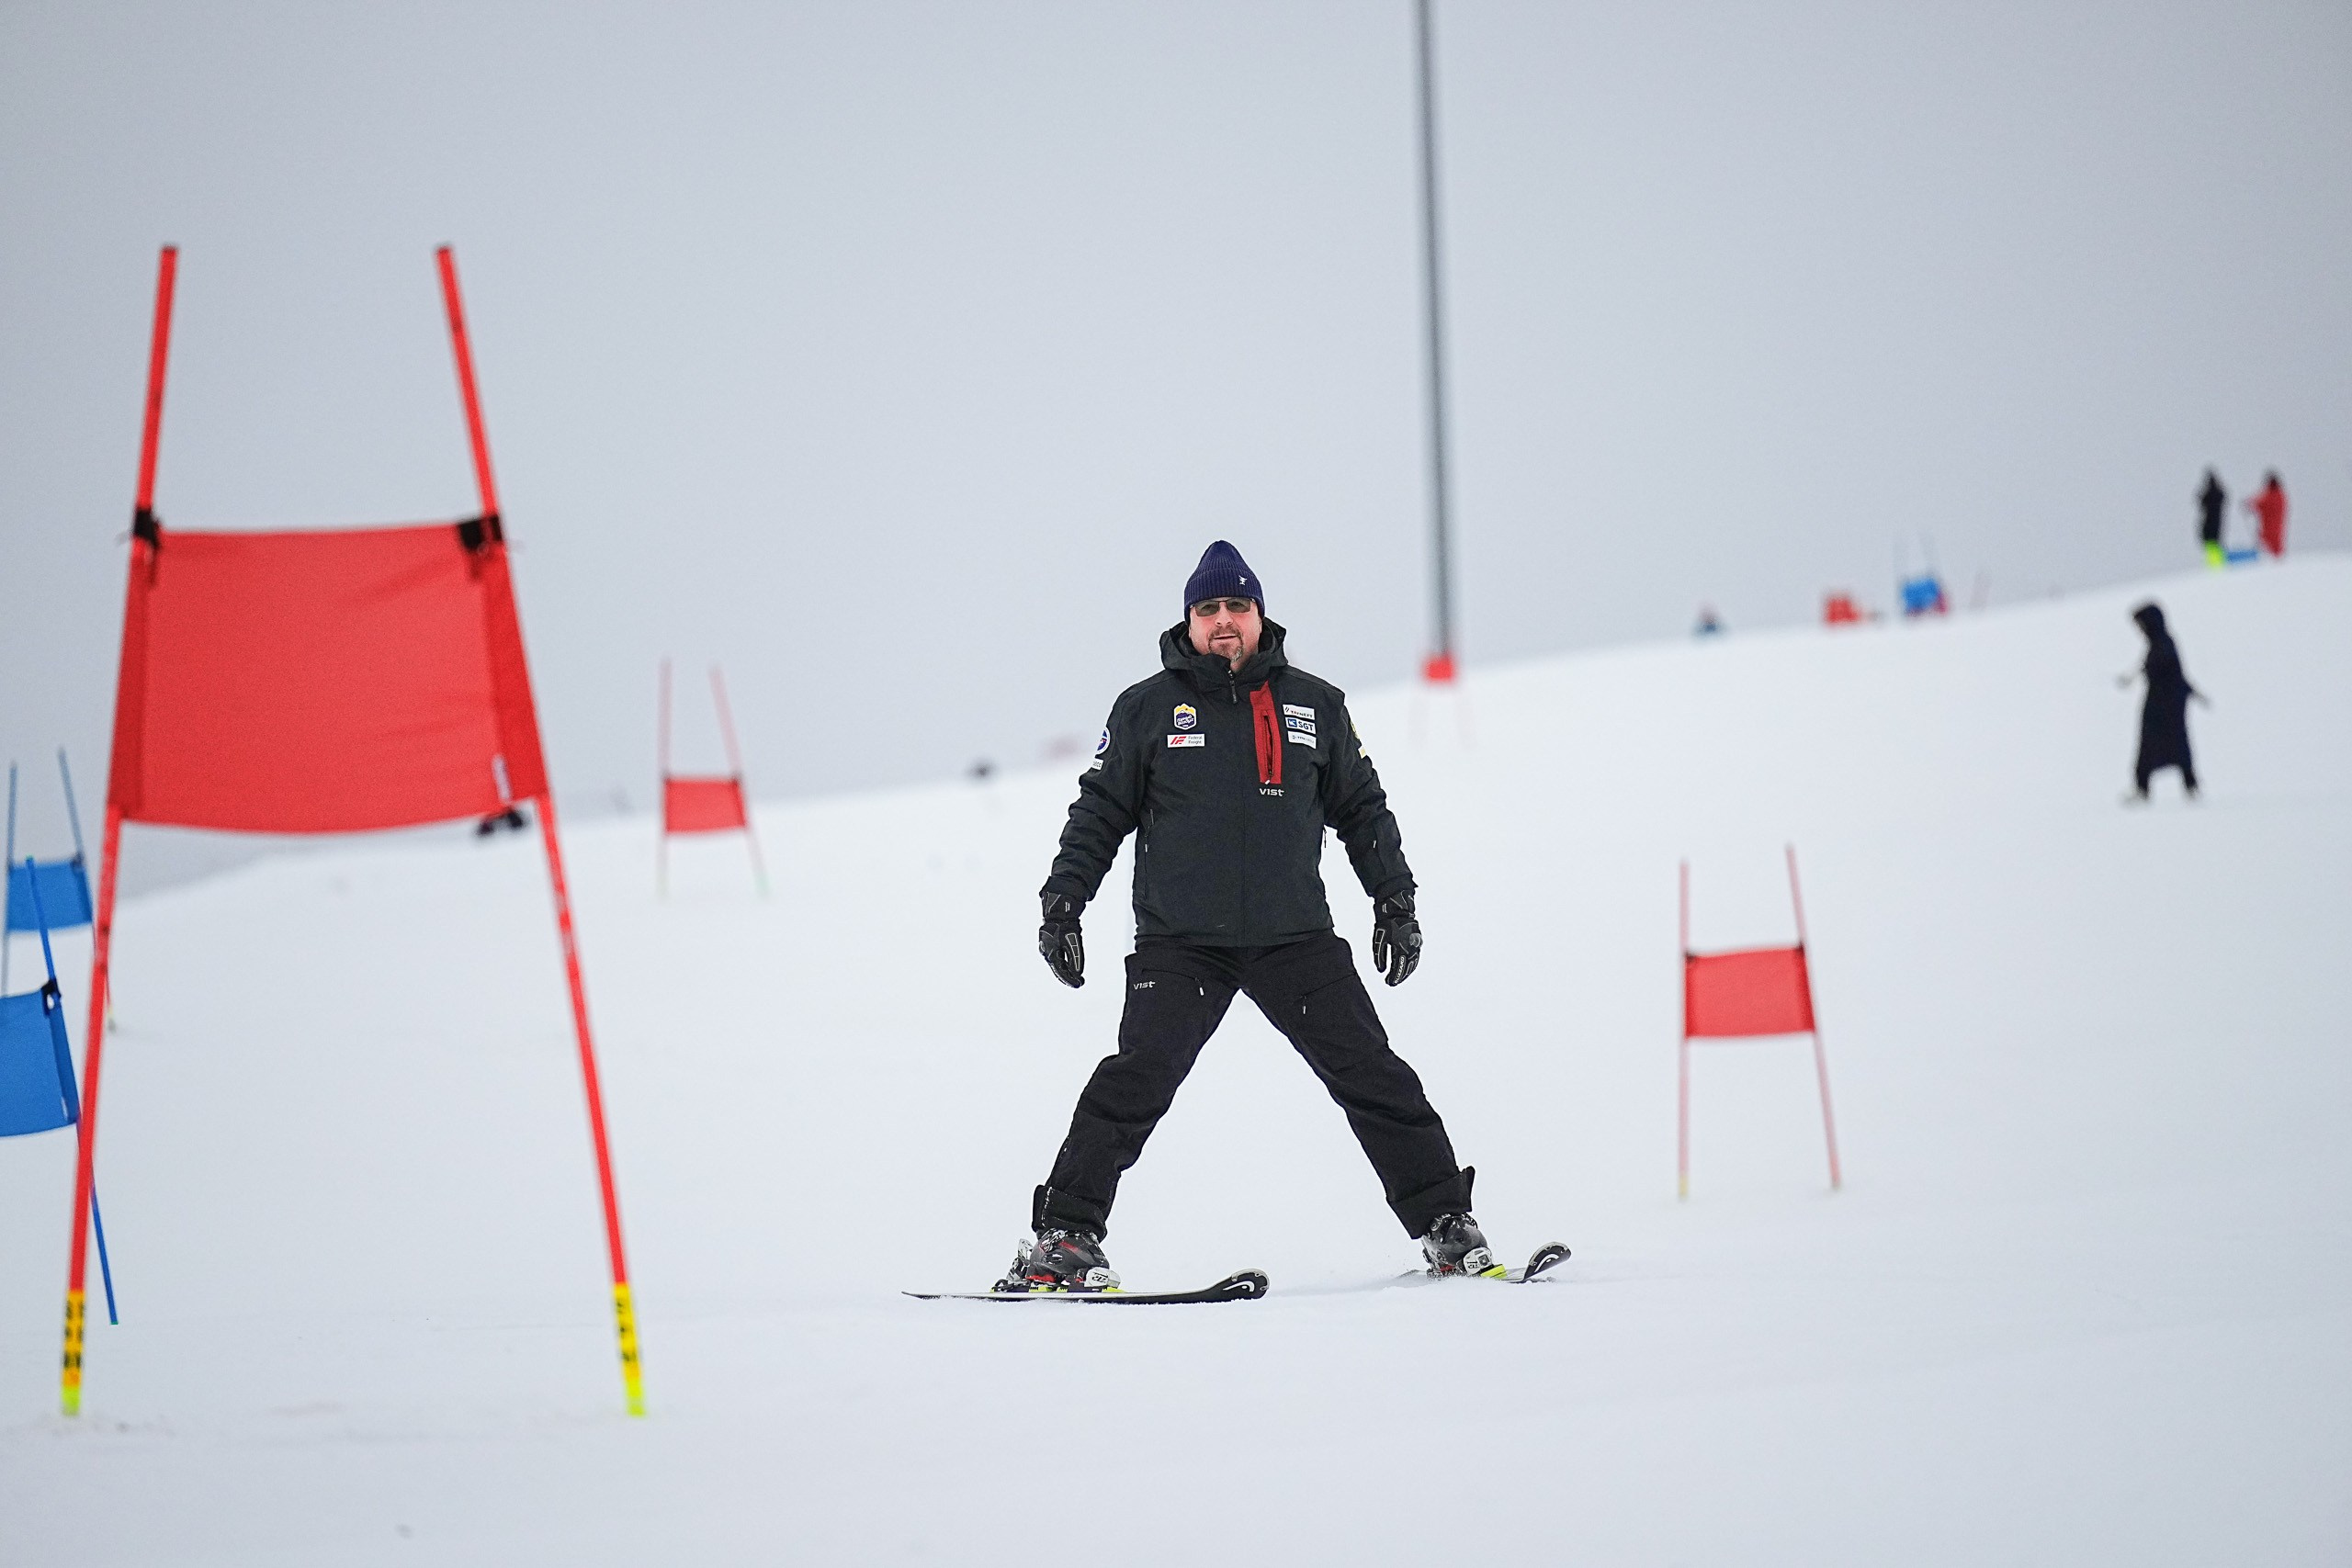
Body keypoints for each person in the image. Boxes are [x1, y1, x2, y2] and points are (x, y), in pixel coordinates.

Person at [1001, 541, 1496, 1292]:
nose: (1223, 622)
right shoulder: (1147, 708)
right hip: (1181, 941)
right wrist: (1063, 902)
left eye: (1236, 606)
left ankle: (1446, 1227)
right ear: (1189, 621)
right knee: (1135, 1081)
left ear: (1260, 615)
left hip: (1293, 936)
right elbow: (1100, 810)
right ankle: (1063, 1237)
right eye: (1208, 610)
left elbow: (1361, 808)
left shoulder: (1313, 704)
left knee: (1375, 1075)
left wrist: (1393, 899)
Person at [2120, 602, 2207, 801]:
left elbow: (2170, 672)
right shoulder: (2160, 642)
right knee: (2170, 744)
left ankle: (2147, 789)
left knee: (2160, 744)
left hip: (2165, 704)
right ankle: (2184, 786)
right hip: (2167, 702)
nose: (2139, 629)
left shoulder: (2163, 643)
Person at [2245, 471, 2288, 558]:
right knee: (2276, 546)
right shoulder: (2281, 495)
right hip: (2277, 526)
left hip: (2267, 528)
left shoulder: (2268, 496)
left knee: (2267, 548)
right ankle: (2279, 562)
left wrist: (2249, 503)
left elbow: (2259, 503)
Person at [2197, 468, 2226, 569]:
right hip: (2217, 521)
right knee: (2215, 542)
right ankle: (2216, 562)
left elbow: (2201, 502)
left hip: (2209, 521)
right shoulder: (2219, 492)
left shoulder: (2208, 494)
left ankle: (2215, 563)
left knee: (2210, 542)